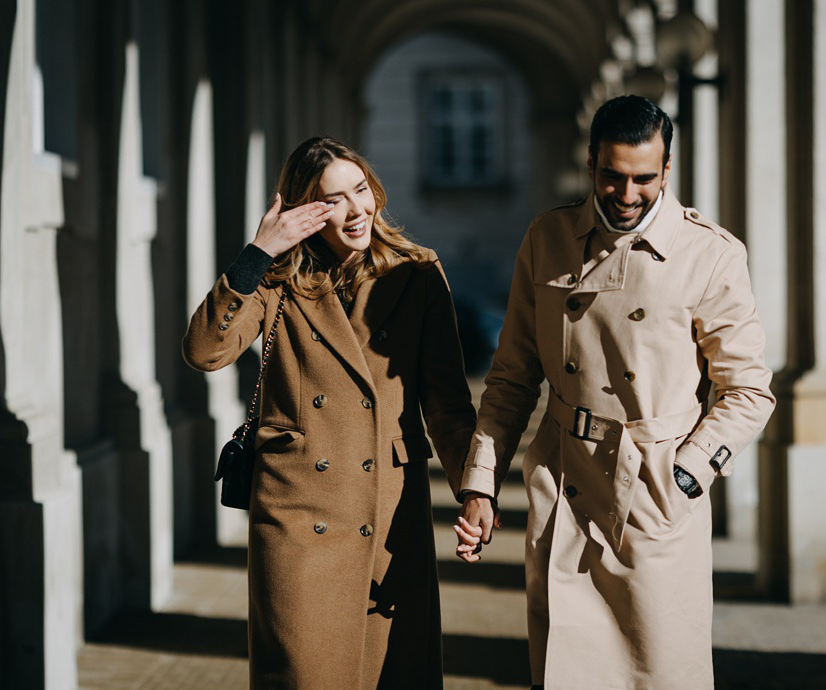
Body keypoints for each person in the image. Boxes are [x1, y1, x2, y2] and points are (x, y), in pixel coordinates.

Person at [453, 95, 776, 689]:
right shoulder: (548, 236)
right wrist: (480, 484)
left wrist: (684, 475)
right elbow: (512, 377)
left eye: (644, 179)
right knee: (566, 672)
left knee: (656, 673)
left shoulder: (710, 254)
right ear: (591, 164)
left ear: (668, 170)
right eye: (612, 177)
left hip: (653, 492)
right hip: (564, 484)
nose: (627, 195)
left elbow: (749, 390)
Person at [183, 136, 475, 688]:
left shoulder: (416, 273)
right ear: (303, 210)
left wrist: (474, 489)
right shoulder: (277, 281)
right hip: (298, 518)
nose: (356, 210)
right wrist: (258, 253)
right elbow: (204, 351)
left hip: (388, 511)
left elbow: (448, 404)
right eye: (333, 200)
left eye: (361, 190)